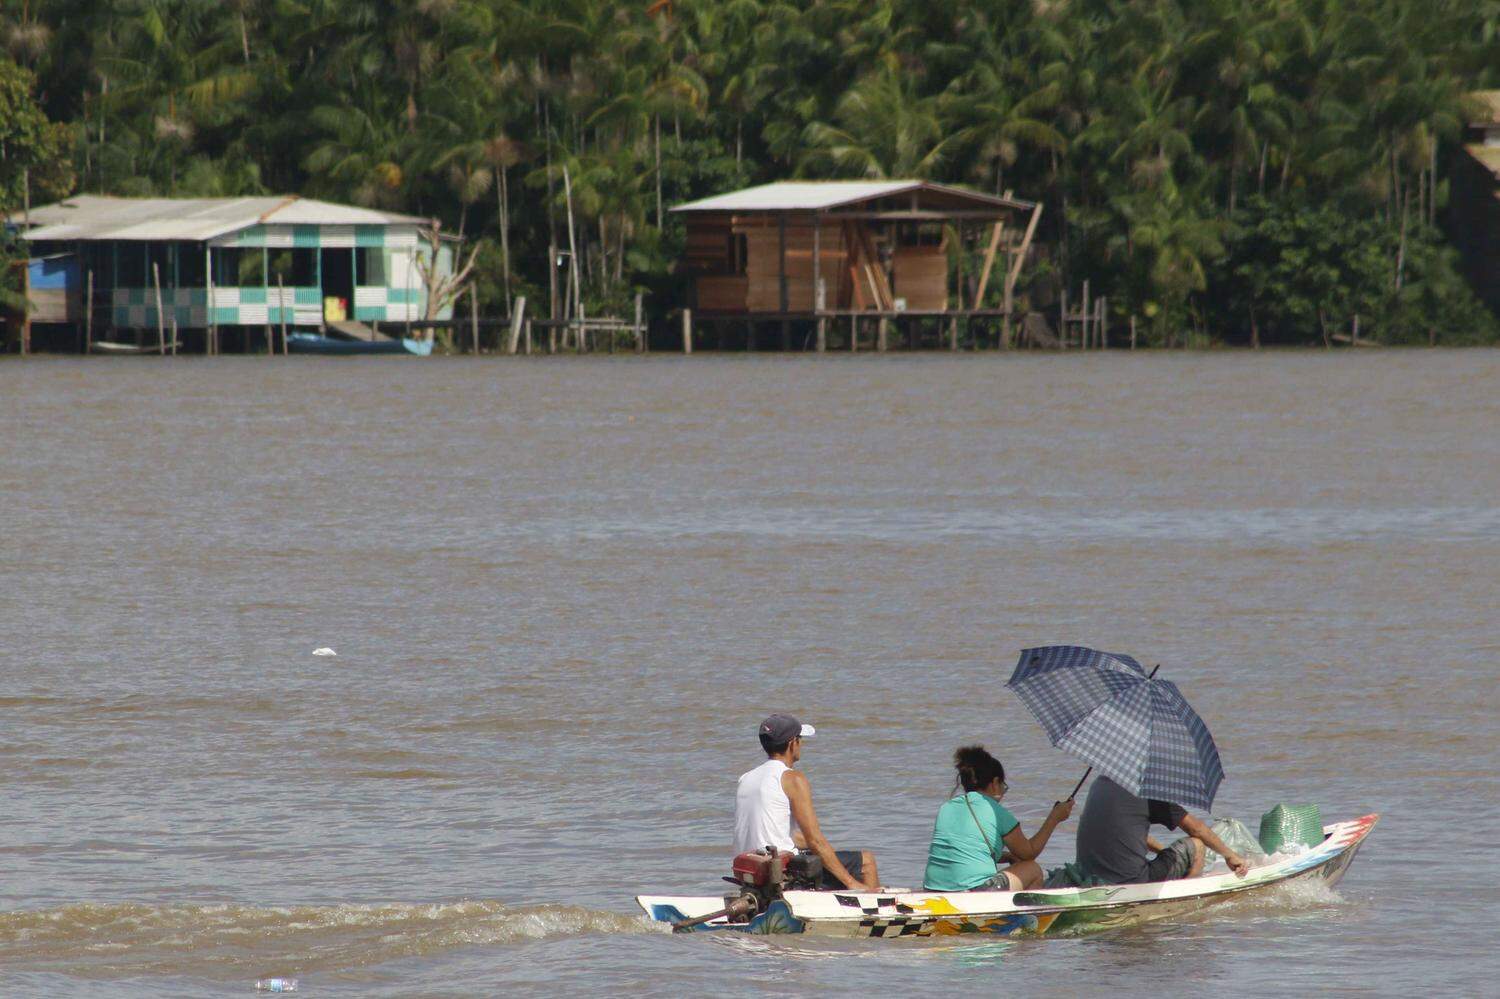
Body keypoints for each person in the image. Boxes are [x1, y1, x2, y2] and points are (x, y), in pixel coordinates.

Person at [733, 713, 879, 891]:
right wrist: (851, 883)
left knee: (828, 857)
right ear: (792, 743)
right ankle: (870, 908)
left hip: (750, 870)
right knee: (866, 861)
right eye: (800, 739)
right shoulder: (792, 778)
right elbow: (815, 841)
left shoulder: (746, 778)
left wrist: (827, 852)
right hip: (783, 873)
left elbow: (782, 832)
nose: (801, 744)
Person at [922, 745, 1073, 892]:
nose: (1003, 791)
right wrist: (1054, 818)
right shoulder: (996, 812)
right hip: (972, 892)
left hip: (933, 889)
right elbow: (1029, 853)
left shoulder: (946, 808)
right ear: (994, 783)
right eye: (1003, 786)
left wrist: (1007, 856)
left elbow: (966, 851)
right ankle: (1027, 917)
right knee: (1032, 868)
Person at [1074, 774, 1251, 885]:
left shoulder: (1099, 784)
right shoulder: (1146, 791)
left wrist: (1161, 851)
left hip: (1090, 874)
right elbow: (1196, 829)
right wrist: (1230, 855)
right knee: (1197, 846)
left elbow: (1121, 832)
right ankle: (1189, 897)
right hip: (1130, 881)